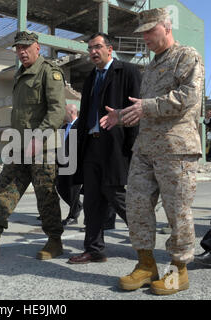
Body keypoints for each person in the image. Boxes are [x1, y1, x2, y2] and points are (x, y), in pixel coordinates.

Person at [100, 8, 205, 295]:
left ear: (166, 27)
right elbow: (145, 107)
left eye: (149, 31)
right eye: (142, 32)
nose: (144, 37)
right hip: (145, 149)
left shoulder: (187, 56)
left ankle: (178, 271)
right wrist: (123, 115)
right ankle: (146, 265)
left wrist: (145, 107)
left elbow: (188, 97)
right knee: (136, 206)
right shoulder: (150, 67)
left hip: (176, 149)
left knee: (177, 212)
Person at [0, 31, 66, 260]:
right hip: (19, 146)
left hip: (43, 148)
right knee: (3, 189)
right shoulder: (20, 74)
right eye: (18, 48)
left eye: (26, 47)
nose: (21, 52)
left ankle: (54, 242)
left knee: (45, 196)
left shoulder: (49, 72)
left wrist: (38, 139)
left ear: (37, 48)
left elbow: (57, 110)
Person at [67, 32, 141, 264]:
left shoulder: (127, 71)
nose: (92, 52)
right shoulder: (91, 77)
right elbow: (87, 112)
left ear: (110, 49)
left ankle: (144, 244)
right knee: (91, 200)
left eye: (97, 47)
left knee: (116, 194)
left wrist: (132, 147)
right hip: (91, 146)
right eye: (89, 48)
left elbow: (136, 111)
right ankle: (94, 249)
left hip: (115, 146)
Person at [56, 104, 83, 226]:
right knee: (61, 188)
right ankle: (77, 206)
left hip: (75, 164)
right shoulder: (63, 127)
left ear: (71, 112)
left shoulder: (81, 126)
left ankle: (73, 216)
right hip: (62, 164)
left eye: (64, 112)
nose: (62, 114)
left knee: (73, 190)